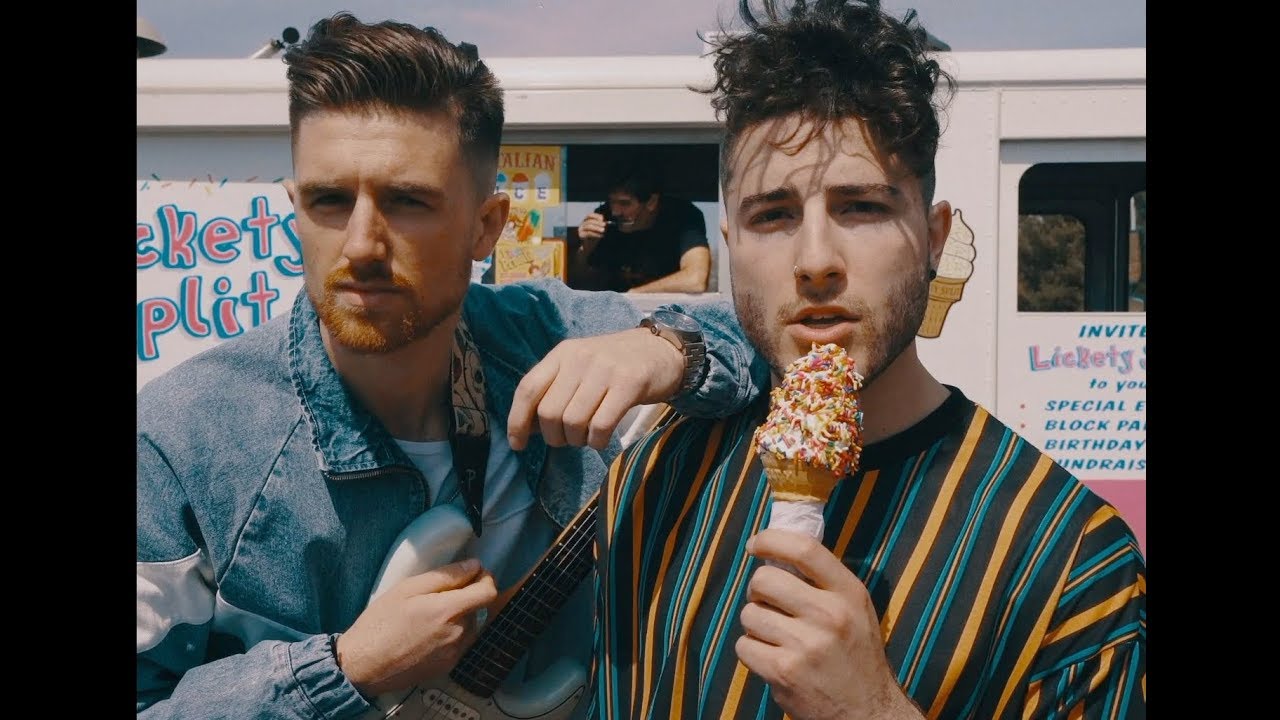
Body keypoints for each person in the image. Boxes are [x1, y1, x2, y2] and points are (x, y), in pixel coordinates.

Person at [136, 13, 768, 718]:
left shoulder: (540, 332)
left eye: (407, 202)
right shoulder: (181, 440)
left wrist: (671, 350)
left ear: (486, 226)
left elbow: (769, 334)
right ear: (295, 207)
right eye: (329, 200)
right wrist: (344, 669)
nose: (361, 244)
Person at [589, 2, 1147, 719]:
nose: (815, 260)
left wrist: (875, 709)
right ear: (731, 245)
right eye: (772, 215)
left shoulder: (1071, 555)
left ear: (936, 236)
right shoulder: (653, 477)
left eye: (861, 207)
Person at [575, 162, 712, 293]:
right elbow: (577, 282)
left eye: (625, 203)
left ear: (652, 202)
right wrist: (586, 248)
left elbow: (695, 280)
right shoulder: (604, 217)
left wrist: (633, 297)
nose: (615, 212)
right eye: (611, 202)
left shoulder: (682, 217)